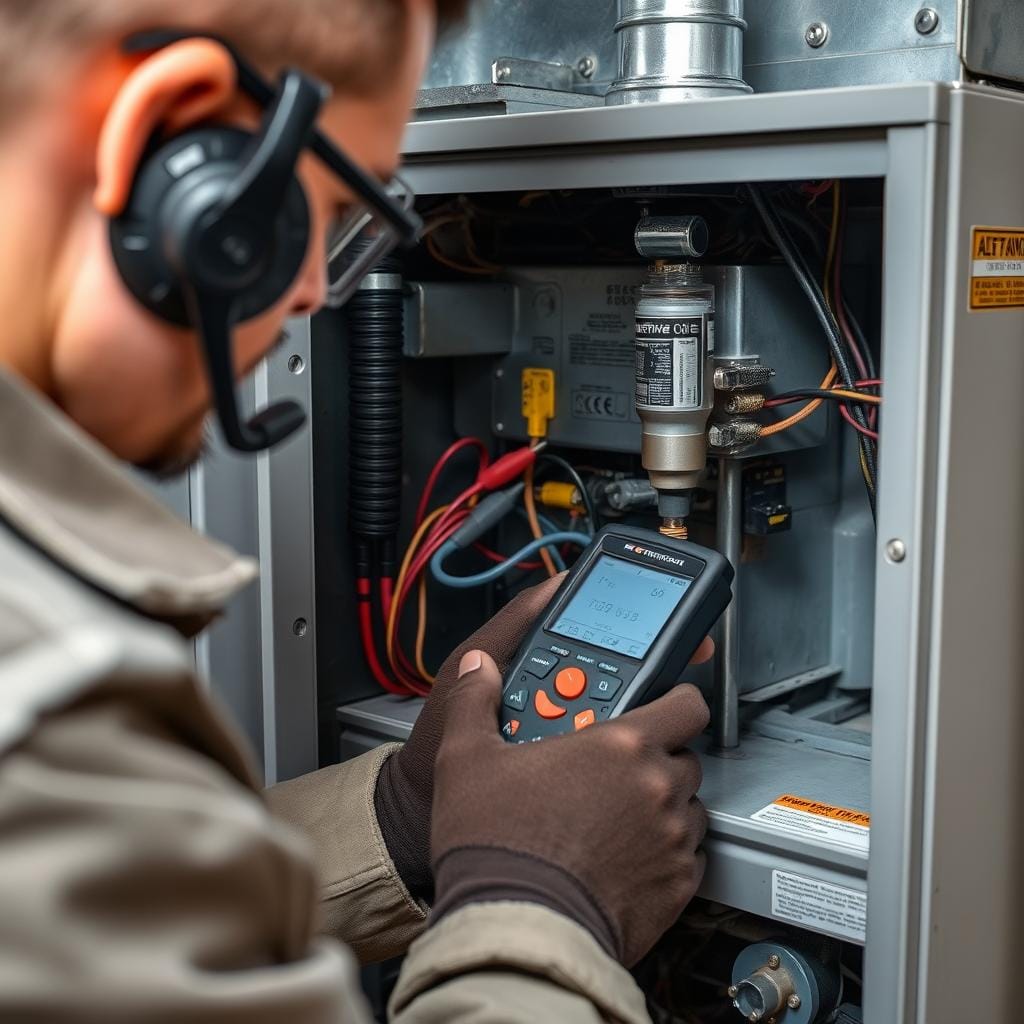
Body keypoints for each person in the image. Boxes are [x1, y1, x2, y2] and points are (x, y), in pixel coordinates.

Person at [0, 1, 713, 1019]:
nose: (308, 298)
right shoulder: (47, 701)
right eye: (328, 218)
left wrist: (403, 813)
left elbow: (109, 916)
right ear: (167, 142)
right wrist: (536, 900)